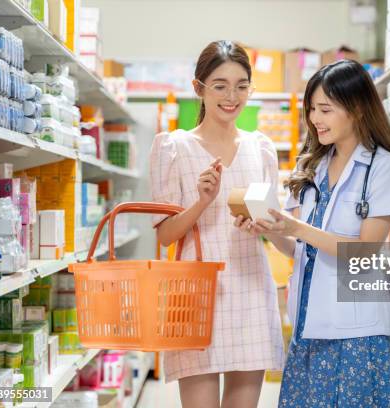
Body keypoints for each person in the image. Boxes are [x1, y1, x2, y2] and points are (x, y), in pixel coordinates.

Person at [234, 59, 390, 407]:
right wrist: (268, 230)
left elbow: (364, 250)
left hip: (355, 332)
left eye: (326, 109)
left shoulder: (383, 166)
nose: (315, 118)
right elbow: (298, 249)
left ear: (358, 108)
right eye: (312, 109)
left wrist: (297, 227)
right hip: (307, 325)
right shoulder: (311, 166)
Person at [149, 40, 284, 408]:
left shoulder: (261, 148)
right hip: (195, 295)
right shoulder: (173, 148)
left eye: (242, 85)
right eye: (220, 85)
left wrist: (264, 225)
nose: (232, 96)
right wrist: (201, 202)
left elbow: (275, 222)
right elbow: (164, 236)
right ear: (199, 89)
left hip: (251, 288)